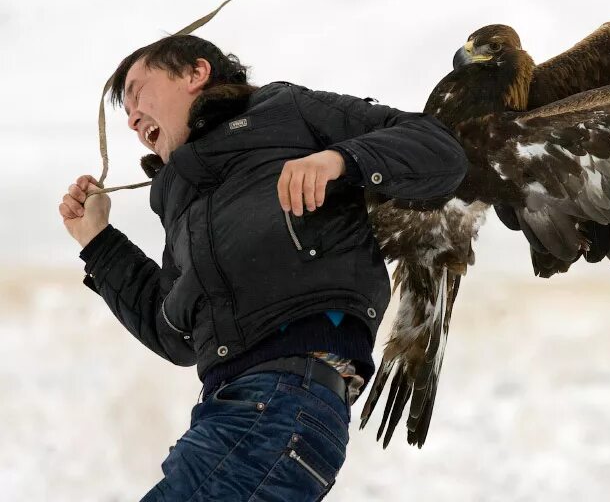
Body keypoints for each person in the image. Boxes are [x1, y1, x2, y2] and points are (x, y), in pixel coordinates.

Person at [58, 34, 468, 500]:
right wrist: (98, 242)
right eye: (126, 114)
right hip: (233, 411)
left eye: (137, 94)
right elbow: (173, 333)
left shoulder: (285, 110)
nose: (131, 119)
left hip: (283, 399)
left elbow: (439, 149)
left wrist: (341, 159)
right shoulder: (180, 198)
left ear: (196, 73)